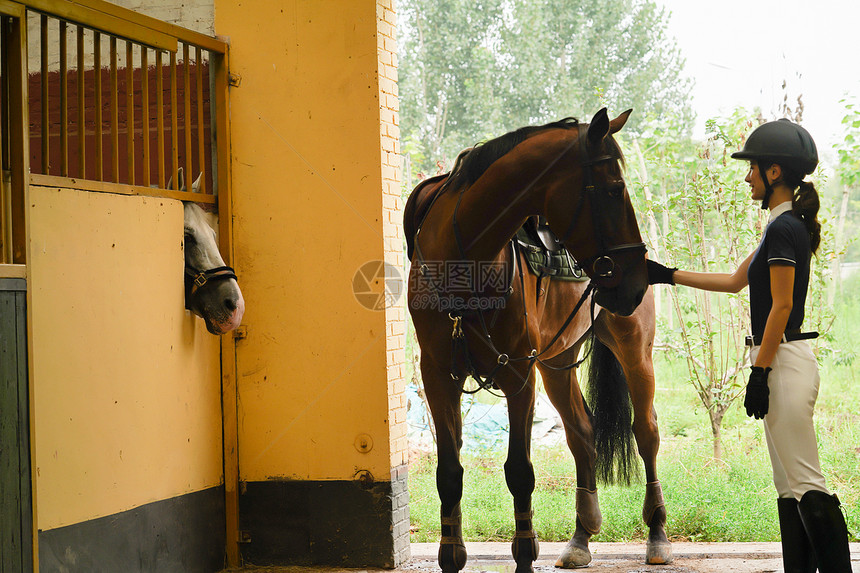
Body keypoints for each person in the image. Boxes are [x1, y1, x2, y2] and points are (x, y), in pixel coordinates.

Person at [648, 119, 852, 573]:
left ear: (774, 172)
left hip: (784, 362)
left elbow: (780, 308)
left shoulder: (783, 231)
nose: (747, 178)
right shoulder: (780, 228)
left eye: (752, 169)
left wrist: (759, 372)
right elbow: (736, 282)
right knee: (789, 486)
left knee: (807, 482)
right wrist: (665, 274)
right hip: (780, 360)